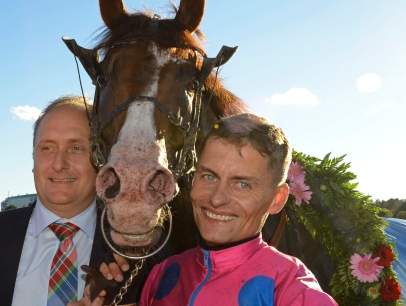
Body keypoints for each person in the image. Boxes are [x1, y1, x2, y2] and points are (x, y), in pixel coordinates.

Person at [78, 113, 338, 305]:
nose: (216, 198)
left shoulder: (288, 286)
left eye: (243, 184)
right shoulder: (160, 274)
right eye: (209, 177)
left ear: (277, 199)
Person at [0, 95, 144, 306]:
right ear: (33, 161)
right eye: (47, 148)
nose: (59, 164)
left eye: (77, 148)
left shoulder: (138, 256)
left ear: (103, 161)